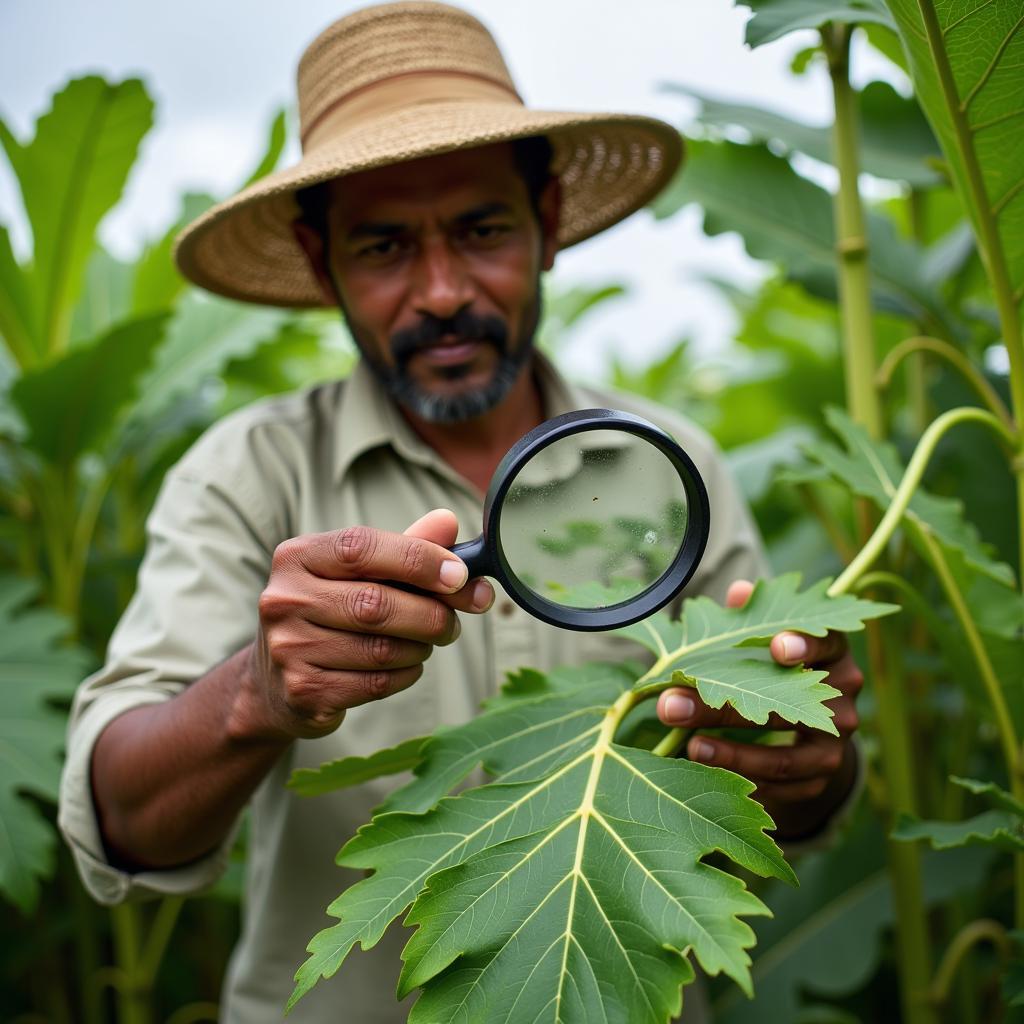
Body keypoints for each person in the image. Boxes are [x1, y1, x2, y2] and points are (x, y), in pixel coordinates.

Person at [58, 3, 863, 1022]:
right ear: (320, 265)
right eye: (385, 245)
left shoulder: (676, 459)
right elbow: (122, 818)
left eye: (481, 230)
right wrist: (256, 692)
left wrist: (804, 758)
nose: (441, 291)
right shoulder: (245, 473)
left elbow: (791, 799)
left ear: (550, 223)